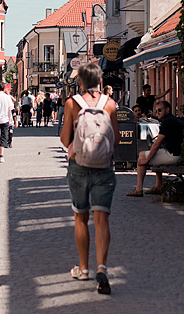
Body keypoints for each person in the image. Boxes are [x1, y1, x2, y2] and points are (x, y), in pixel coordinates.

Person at [60, 63, 120, 295]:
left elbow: (66, 139)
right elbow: (114, 141)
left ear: (80, 82)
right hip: (104, 167)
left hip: (79, 167)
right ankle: (102, 267)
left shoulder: (72, 103)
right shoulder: (111, 104)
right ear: (100, 82)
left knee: (80, 217)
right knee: (102, 218)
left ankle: (83, 268)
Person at [125, 100, 184, 197]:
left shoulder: (167, 122)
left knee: (142, 156)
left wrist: (146, 160)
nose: (157, 113)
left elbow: (157, 144)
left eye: (160, 110)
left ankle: (139, 189)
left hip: (172, 154)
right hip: (178, 153)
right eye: (156, 111)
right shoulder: (174, 120)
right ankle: (158, 186)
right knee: (154, 154)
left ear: (168, 109)